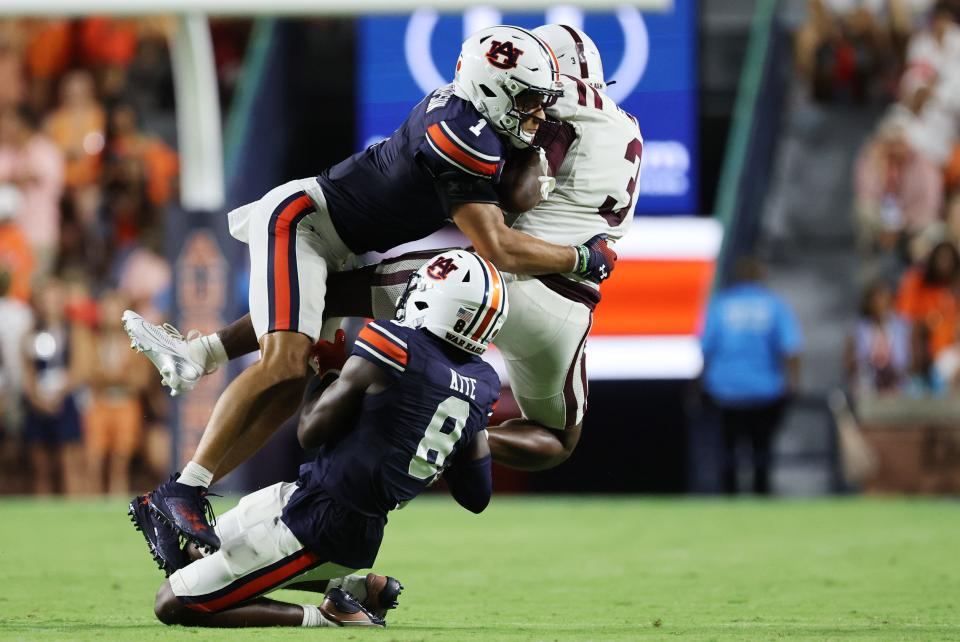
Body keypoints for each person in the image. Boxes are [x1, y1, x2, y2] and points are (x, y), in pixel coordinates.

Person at [124, 25, 616, 552]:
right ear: (492, 93)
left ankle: (199, 362)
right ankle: (182, 490)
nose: (538, 116)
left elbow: (516, 191)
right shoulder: (459, 134)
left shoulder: (479, 121)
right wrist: (581, 257)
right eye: (527, 102)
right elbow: (498, 244)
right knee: (285, 362)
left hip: (340, 244)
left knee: (293, 378)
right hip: (304, 224)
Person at [130, 250, 504, 629]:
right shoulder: (484, 383)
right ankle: (353, 587)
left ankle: (330, 616)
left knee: (173, 602)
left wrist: (326, 371)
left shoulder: (395, 344)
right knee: (193, 552)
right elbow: (476, 497)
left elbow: (309, 430)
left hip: (322, 525)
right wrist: (462, 430)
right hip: (329, 510)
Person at [701, 257, 803, 495]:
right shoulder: (774, 305)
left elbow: (706, 348)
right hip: (765, 390)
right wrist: (793, 383)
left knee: (728, 452)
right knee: (762, 451)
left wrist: (698, 385)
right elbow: (791, 347)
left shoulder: (721, 304)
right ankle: (762, 495)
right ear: (761, 277)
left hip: (725, 390)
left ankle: (729, 500)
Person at [846, 280, 911, 396]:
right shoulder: (859, 329)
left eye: (883, 300)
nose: (879, 305)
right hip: (868, 385)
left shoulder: (902, 327)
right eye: (875, 301)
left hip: (896, 384)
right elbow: (852, 362)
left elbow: (907, 361)